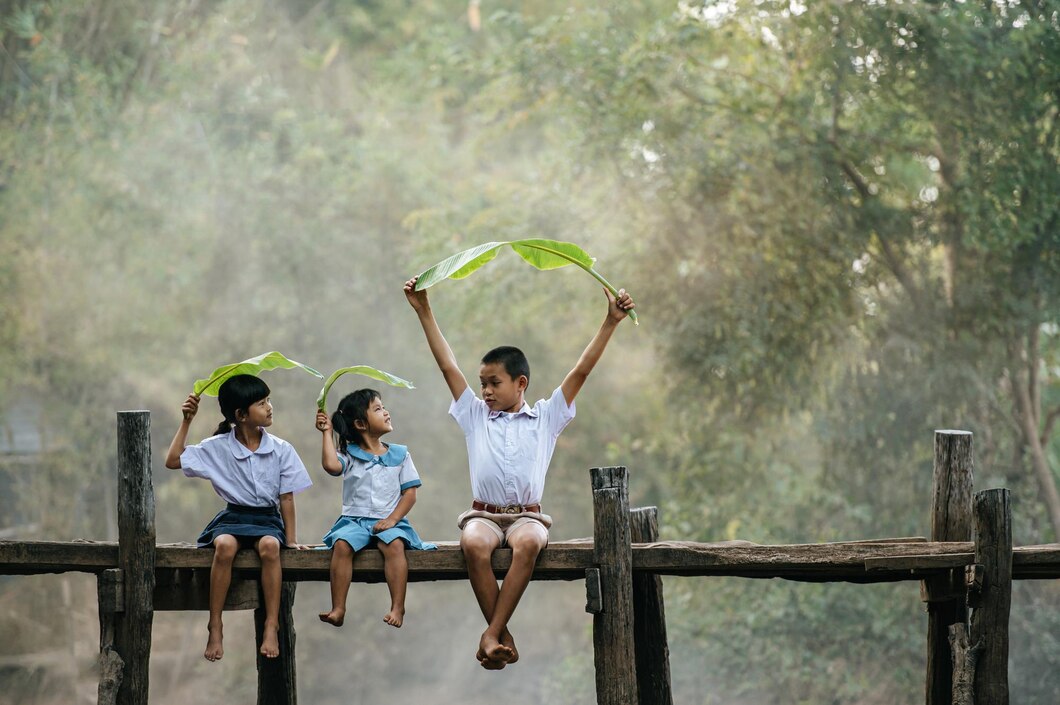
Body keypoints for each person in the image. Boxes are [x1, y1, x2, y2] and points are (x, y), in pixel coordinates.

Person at [403, 276, 635, 669]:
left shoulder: (545, 417)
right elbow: (447, 365)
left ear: (520, 383)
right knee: (473, 545)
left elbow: (580, 371)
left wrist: (610, 322)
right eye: (482, 384)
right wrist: (424, 308)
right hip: (483, 514)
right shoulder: (476, 415)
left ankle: (492, 633)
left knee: (528, 544)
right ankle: (500, 633)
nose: (486, 392)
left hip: (527, 516)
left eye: (494, 383)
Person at [164, 374, 312, 662]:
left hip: (268, 520)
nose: (270, 407)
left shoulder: (281, 449)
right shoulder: (218, 446)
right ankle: (215, 624)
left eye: (269, 400)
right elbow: (173, 460)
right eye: (262, 403)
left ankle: (272, 623)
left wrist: (290, 541)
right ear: (241, 415)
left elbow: (287, 498)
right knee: (224, 547)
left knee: (270, 546)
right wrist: (187, 420)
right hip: (233, 517)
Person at [315, 388, 435, 629]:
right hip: (354, 522)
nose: (386, 412)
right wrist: (327, 432)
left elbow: (410, 494)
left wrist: (392, 520)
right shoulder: (349, 455)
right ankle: (339, 607)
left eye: (383, 407)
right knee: (342, 545)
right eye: (378, 409)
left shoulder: (400, 455)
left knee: (395, 545)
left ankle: (397, 606)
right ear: (360, 423)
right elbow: (330, 466)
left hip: (390, 520)